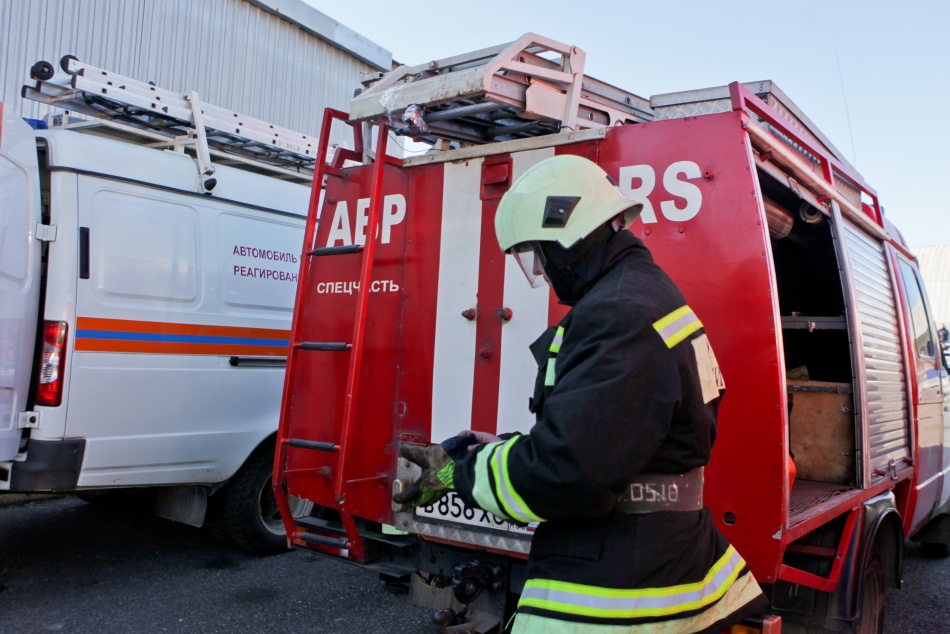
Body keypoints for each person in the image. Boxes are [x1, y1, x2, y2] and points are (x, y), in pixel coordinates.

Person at [394, 154, 767, 633]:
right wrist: (504, 450)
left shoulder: (618, 314)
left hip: (618, 589)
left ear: (569, 237)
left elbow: (564, 472)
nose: (543, 274)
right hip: (658, 557)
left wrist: (456, 473)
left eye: (538, 254)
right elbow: (604, 440)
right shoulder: (646, 297)